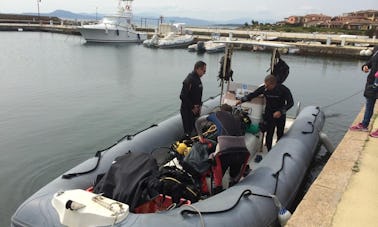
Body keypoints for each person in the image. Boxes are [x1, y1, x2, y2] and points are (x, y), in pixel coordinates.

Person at [236, 74, 294, 151]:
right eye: (265, 85)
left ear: (273, 84)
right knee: (269, 134)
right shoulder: (264, 88)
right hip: (269, 114)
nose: (265, 88)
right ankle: (269, 150)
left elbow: (291, 103)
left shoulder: (283, 89)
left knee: (280, 133)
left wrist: (281, 111)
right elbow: (253, 94)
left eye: (267, 86)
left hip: (280, 114)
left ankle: (279, 149)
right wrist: (242, 100)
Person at [350, 46, 378, 138]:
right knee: (369, 104)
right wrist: (365, 66)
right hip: (371, 83)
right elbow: (371, 62)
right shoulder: (376, 49)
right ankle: (364, 125)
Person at [180, 61, 206, 139]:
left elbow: (196, 94)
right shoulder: (189, 80)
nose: (204, 73)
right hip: (188, 110)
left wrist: (199, 105)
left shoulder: (197, 79)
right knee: (188, 131)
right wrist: (192, 107)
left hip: (195, 110)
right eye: (203, 71)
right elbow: (182, 96)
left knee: (195, 128)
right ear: (197, 69)